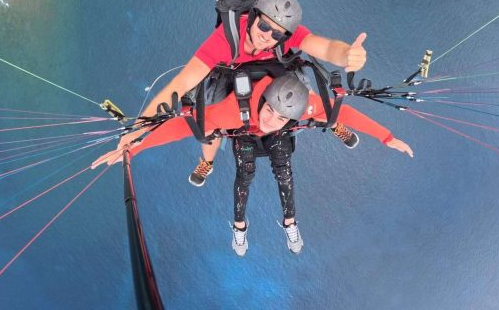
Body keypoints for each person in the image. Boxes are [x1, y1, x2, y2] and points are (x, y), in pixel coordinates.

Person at [93, 74, 413, 256]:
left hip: (272, 130)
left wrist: (387, 137)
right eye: (270, 112)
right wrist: (134, 150)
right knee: (244, 176)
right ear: (263, 101)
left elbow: (342, 112)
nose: (271, 120)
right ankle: (240, 228)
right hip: (243, 132)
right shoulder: (231, 111)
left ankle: (289, 223)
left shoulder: (301, 105)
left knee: (284, 172)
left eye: (281, 117)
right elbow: (180, 128)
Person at [122, 0, 369, 188]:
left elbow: (324, 47)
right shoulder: (225, 41)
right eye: (263, 26)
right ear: (252, 18)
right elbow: (181, 84)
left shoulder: (285, 34)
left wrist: (347, 54)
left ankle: (333, 122)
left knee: (305, 97)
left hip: (274, 68)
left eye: (277, 35)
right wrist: (139, 130)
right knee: (207, 124)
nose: (268, 36)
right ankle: (207, 161)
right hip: (230, 72)